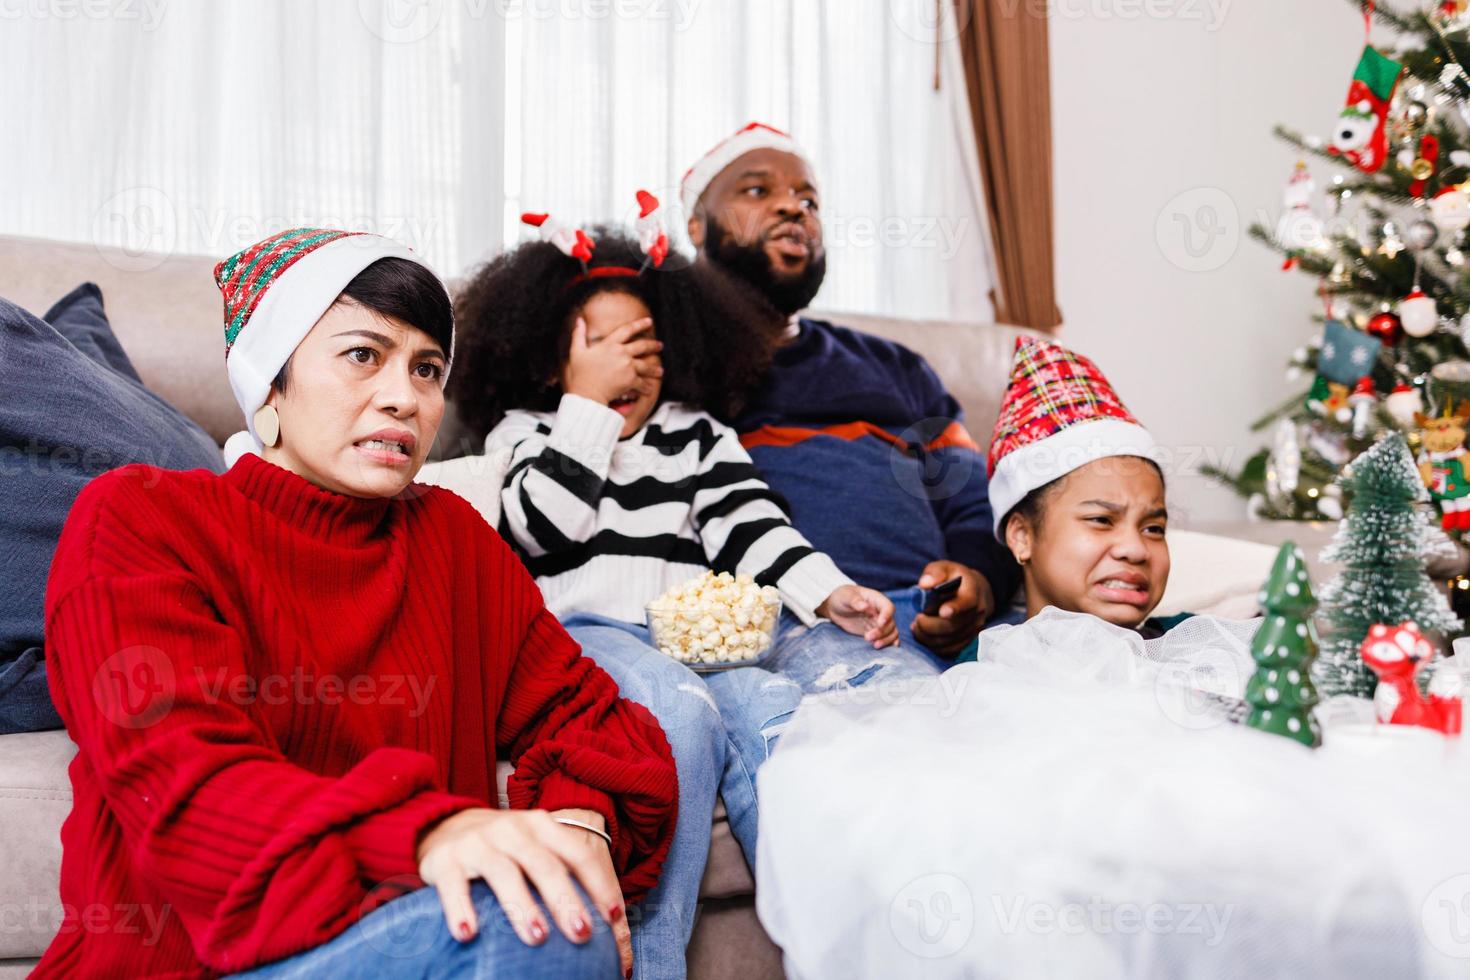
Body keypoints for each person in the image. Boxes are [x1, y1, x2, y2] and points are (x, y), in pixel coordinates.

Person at [35, 228, 676, 979]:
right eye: (363, 355)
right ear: (272, 381)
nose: (405, 397)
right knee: (538, 927)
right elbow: (184, 786)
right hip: (197, 965)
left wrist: (580, 823)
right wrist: (428, 835)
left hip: (416, 936)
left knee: (551, 913)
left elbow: (589, 716)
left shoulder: (451, 540)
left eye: (428, 368)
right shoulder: (140, 518)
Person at [448, 217, 927, 980]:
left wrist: (827, 591)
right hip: (582, 637)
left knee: (777, 712)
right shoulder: (529, 432)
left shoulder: (696, 437)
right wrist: (590, 413)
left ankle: (847, 944)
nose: (627, 360)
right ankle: (649, 959)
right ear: (549, 363)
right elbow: (542, 526)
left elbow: (750, 528)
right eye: (600, 343)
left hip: (693, 644)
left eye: (643, 341)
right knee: (677, 713)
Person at [681, 122, 1023, 666]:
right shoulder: (673, 361)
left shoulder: (894, 364)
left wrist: (978, 577)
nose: (794, 208)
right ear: (696, 226)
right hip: (801, 625)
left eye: (808, 199)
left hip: (935, 620)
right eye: (757, 190)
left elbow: (971, 496)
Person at [987, 335, 1183, 638]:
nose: (1135, 550)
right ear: (1022, 536)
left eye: (1153, 528)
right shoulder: (984, 668)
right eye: (1102, 520)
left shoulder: (1195, 642)